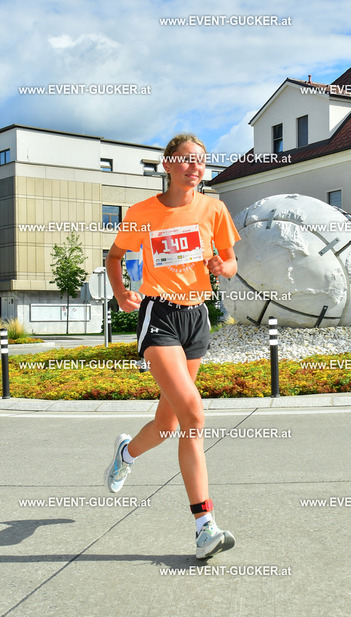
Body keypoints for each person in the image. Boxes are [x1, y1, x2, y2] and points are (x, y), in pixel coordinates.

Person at [103, 133, 240, 560]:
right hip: (159, 315)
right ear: (168, 164)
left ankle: (126, 453)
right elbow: (114, 256)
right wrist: (121, 292)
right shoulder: (142, 212)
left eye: (201, 161)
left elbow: (231, 262)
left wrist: (222, 265)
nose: (195, 167)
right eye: (186, 159)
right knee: (194, 414)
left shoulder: (214, 209)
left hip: (197, 318)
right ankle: (204, 526)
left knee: (168, 425)